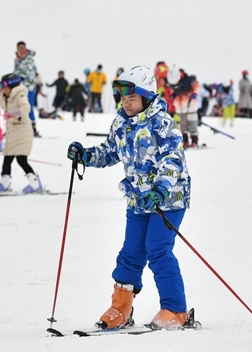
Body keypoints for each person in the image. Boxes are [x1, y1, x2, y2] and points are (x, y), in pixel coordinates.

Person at [66, 65, 192, 330]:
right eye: (123, 98)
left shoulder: (163, 124)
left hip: (168, 201)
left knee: (157, 250)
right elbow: (110, 151)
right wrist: (86, 156)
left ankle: (176, 310)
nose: (126, 103)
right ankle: (121, 308)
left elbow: (173, 160)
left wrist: (159, 189)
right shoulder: (121, 122)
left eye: (131, 98)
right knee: (131, 253)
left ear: (146, 98)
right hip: (137, 200)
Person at [0, 74, 42, 194]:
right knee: (7, 158)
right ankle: (5, 182)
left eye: (5, 87)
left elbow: (26, 108)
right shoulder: (6, 97)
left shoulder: (20, 95)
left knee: (21, 159)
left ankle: (35, 183)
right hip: (12, 131)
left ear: (12, 87)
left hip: (23, 131)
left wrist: (13, 113)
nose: (3, 89)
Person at [13, 41, 39, 136]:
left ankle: (32, 126)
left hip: (29, 87)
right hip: (19, 87)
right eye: (19, 48)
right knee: (19, 106)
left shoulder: (29, 59)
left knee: (28, 106)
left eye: (22, 48)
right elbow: (15, 72)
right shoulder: (16, 60)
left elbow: (31, 73)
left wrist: (22, 78)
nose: (20, 50)